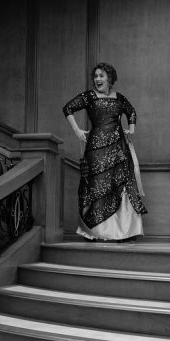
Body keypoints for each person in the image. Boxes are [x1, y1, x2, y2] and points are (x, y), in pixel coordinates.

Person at [62, 63, 147, 242]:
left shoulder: (120, 98)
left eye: (101, 76)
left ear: (110, 78)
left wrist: (131, 129)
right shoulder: (89, 96)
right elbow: (67, 108)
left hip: (118, 147)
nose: (97, 79)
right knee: (96, 186)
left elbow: (131, 112)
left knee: (119, 184)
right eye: (96, 76)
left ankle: (124, 232)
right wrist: (77, 131)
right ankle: (94, 232)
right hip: (96, 147)